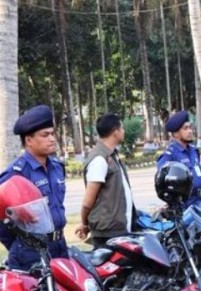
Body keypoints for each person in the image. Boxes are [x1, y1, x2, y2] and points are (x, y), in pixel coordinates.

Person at [0, 105, 68, 270]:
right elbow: (2, 220)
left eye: (52, 133)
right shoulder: (16, 173)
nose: (52, 139)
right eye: (45, 135)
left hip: (60, 245)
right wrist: (21, 245)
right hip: (31, 251)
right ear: (29, 140)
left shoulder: (57, 166)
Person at [75, 113, 135, 249]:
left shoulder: (111, 155)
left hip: (117, 230)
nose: (123, 132)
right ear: (115, 132)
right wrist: (85, 224)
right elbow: (87, 203)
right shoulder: (99, 159)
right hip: (108, 234)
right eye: (122, 128)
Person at [156, 110, 201, 206]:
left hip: (200, 200)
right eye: (185, 128)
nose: (190, 131)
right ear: (176, 134)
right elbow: (163, 183)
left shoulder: (194, 151)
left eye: (190, 127)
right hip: (184, 205)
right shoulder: (169, 155)